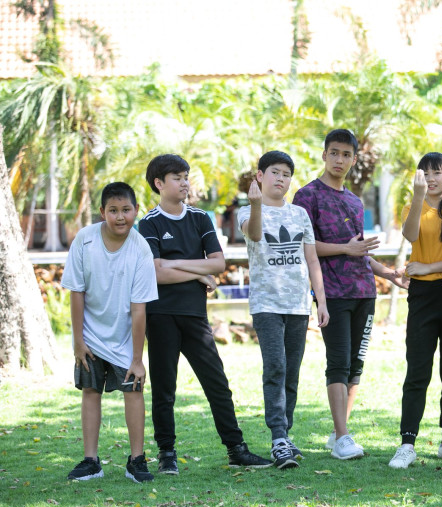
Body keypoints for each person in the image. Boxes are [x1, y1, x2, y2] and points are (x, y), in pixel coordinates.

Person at [138, 154, 271, 474]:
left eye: (186, 177)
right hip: (160, 315)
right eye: (177, 178)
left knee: (217, 384)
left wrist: (176, 264)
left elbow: (218, 263)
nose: (185, 183)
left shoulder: (200, 219)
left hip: (195, 316)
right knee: (164, 389)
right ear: (159, 184)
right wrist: (199, 273)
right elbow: (156, 273)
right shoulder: (149, 223)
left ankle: (237, 450)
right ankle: (166, 454)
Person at [292, 129, 408, 460]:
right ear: (324, 155)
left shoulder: (355, 202)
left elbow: (359, 252)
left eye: (346, 155)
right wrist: (346, 248)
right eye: (334, 153)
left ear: (354, 160)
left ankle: (338, 432)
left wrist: (390, 274)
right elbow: (303, 246)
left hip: (364, 293)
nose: (339, 160)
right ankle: (343, 436)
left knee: (356, 365)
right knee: (338, 362)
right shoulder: (307, 196)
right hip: (332, 293)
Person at [238, 150, 330, 470]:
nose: (280, 178)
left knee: (291, 372)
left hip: (298, 306)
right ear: (260, 176)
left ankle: (285, 435)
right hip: (267, 304)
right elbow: (254, 234)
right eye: (274, 172)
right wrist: (255, 205)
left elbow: (312, 260)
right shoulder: (247, 210)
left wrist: (321, 300)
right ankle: (278, 437)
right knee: (275, 366)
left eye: (286, 174)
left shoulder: (300, 214)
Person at [62, 182, 158, 483]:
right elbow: (76, 292)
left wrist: (138, 359)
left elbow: (139, 308)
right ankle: (91, 461)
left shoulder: (141, 249)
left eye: (126, 210)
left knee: (134, 390)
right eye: (113, 210)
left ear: (136, 211)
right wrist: (78, 342)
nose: (120, 217)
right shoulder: (85, 240)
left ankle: (136, 460)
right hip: (90, 336)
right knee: (90, 392)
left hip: (125, 338)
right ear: (102, 212)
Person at [388, 153, 442, 469]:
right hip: (422, 296)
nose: (431, 177)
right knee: (417, 370)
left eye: (438, 172)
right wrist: (419, 196)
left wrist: (427, 266)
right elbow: (410, 235)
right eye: (426, 172)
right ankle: (407, 444)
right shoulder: (414, 206)